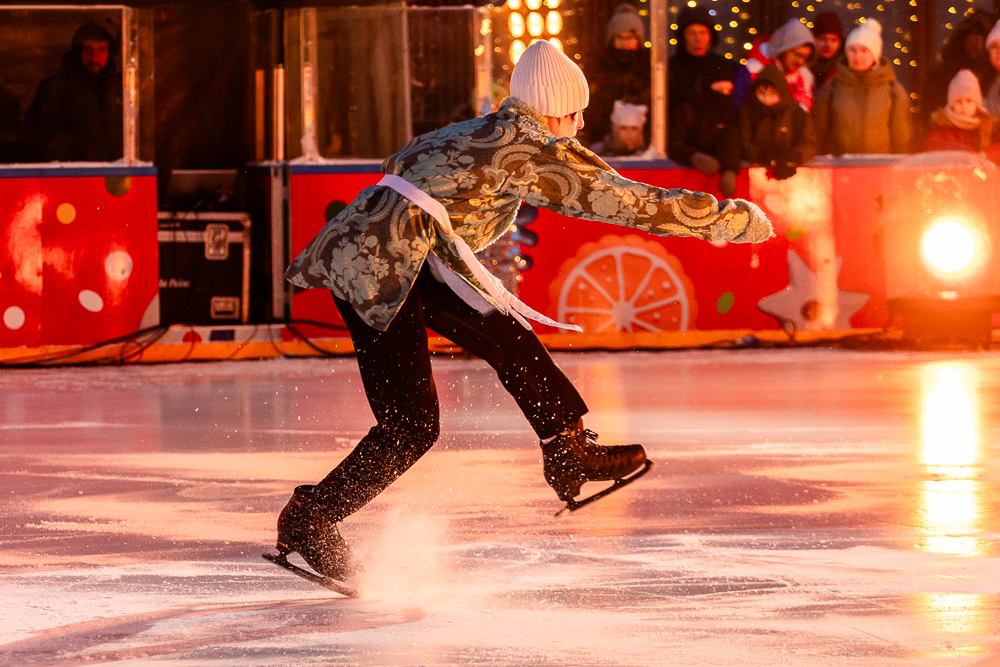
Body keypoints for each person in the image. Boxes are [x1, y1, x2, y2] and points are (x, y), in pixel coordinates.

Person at [274, 40, 773, 585]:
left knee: (507, 335)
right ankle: (311, 519)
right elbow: (627, 201)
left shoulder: (484, 131)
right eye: (575, 112)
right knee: (411, 426)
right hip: (382, 264)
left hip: (390, 252)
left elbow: (402, 163)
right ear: (550, 109)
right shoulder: (527, 147)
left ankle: (567, 449)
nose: (580, 124)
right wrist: (727, 221)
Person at [21, 22, 122, 162]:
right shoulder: (53, 89)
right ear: (78, 52)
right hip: (68, 170)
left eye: (101, 49)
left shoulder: (122, 88)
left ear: (109, 52)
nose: (94, 57)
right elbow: (35, 138)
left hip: (116, 170)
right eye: (87, 50)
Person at [668, 6, 742, 196]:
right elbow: (667, 127)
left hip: (720, 160)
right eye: (691, 33)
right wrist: (691, 155)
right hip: (680, 166)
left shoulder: (726, 68)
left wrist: (730, 168)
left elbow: (733, 122)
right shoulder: (670, 70)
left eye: (703, 32)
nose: (698, 39)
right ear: (682, 36)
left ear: (711, 36)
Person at [813, 19, 912, 155]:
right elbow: (817, 135)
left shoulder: (893, 90)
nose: (857, 56)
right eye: (852, 50)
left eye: (864, 50)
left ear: (875, 54)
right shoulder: (831, 88)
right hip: (840, 165)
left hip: (880, 165)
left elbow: (902, 137)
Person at [584, 3, 651, 149]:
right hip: (602, 139)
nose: (625, 43)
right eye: (620, 37)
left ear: (638, 39)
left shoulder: (648, 67)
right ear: (612, 39)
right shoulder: (600, 65)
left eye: (630, 38)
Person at [740, 65, 817, 180]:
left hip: (795, 177)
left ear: (781, 92)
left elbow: (809, 142)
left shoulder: (796, 112)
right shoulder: (747, 112)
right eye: (761, 93)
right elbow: (743, 142)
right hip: (755, 175)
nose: (766, 98)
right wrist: (761, 154)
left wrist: (795, 156)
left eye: (772, 93)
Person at [925, 10, 996, 129]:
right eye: (971, 40)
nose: (975, 46)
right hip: (948, 135)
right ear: (961, 42)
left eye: (979, 41)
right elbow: (929, 117)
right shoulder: (941, 76)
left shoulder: (993, 76)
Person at [924, 69, 1000, 160]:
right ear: (952, 105)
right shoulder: (943, 127)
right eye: (959, 102)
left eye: (969, 101)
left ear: (977, 104)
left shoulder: (987, 126)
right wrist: (967, 154)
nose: (964, 106)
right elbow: (932, 143)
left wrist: (987, 155)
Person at [764, 18, 817, 111]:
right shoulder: (756, 71)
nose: (801, 61)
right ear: (783, 51)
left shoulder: (806, 78)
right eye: (797, 55)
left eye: (805, 57)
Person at [809, 12, 844, 87]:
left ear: (840, 43)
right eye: (822, 39)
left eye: (833, 40)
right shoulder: (801, 70)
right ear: (814, 39)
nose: (828, 45)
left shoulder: (845, 73)